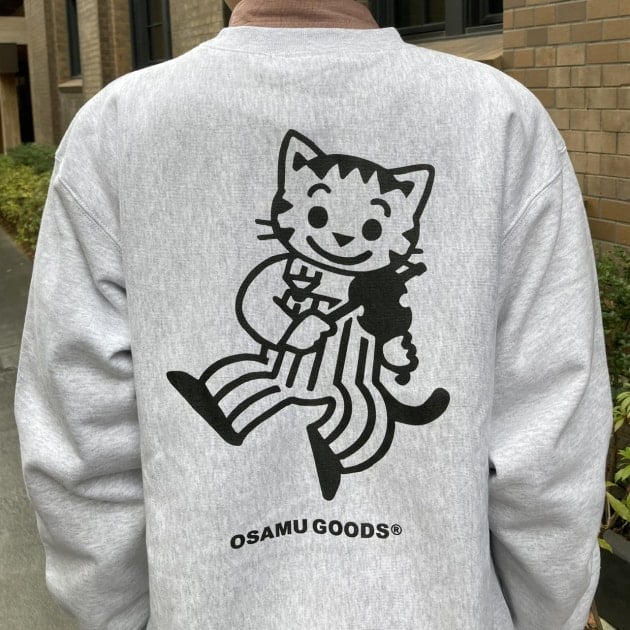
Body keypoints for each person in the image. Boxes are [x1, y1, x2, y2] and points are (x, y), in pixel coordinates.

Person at [14, 0, 612, 628]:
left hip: (208, 609)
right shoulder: (499, 119)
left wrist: (123, 616)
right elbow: (550, 444)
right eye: (320, 215)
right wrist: (548, 614)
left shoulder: (118, 127)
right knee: (281, 382)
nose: (345, 240)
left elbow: (77, 445)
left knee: (355, 401)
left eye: (371, 229)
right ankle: (257, 417)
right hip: (443, 611)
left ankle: (329, 448)